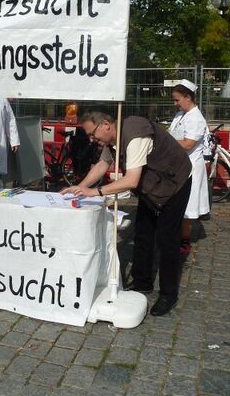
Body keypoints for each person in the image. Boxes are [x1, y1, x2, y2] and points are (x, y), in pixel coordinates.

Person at [61, 110, 192, 316]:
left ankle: (168, 294)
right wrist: (80, 187)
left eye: (93, 134)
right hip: (151, 185)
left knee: (167, 239)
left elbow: (131, 180)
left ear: (106, 124)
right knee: (143, 231)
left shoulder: (134, 134)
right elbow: (102, 164)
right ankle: (142, 282)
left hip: (175, 182)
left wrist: (95, 192)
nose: (91, 139)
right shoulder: (112, 139)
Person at [169, 80, 210, 254]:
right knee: (176, 202)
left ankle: (184, 241)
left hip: (191, 168)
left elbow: (187, 144)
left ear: (188, 97)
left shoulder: (196, 118)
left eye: (177, 100)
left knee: (187, 206)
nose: (175, 103)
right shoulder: (180, 115)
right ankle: (173, 233)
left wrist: (166, 143)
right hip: (178, 166)